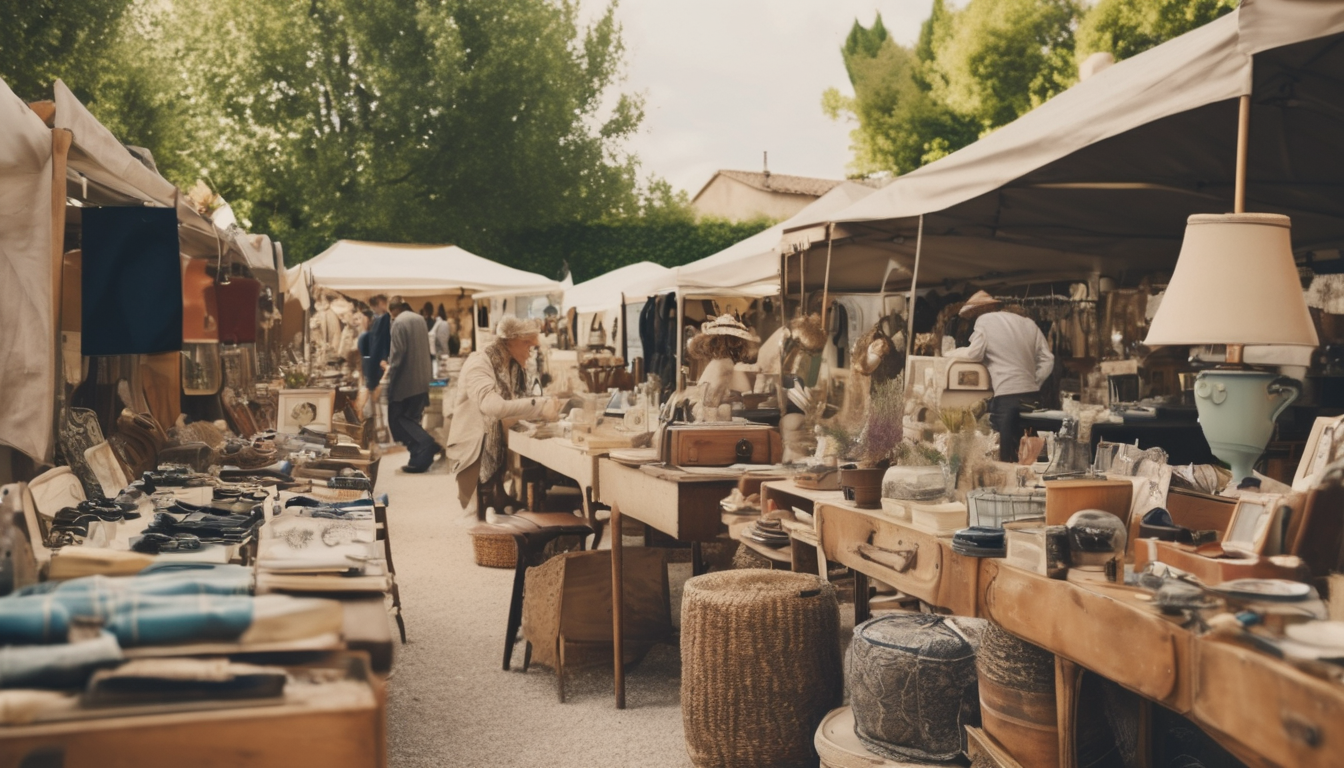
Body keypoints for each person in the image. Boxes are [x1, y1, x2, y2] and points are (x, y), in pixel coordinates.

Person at [446, 317, 562, 516]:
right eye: (527, 344)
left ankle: (504, 500)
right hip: (472, 446)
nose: (530, 350)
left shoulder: (512, 365)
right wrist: (540, 407)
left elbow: (518, 401)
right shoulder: (479, 363)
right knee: (478, 519)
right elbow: (494, 407)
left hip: (491, 438)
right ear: (509, 340)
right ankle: (489, 518)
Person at [946, 291, 1055, 461]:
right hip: (1032, 397)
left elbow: (975, 353)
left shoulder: (984, 320)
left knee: (1005, 455)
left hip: (1007, 397)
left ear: (978, 312)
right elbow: (1048, 359)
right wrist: (1034, 381)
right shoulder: (1029, 323)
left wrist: (952, 354)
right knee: (1031, 453)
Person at [383, 296, 438, 473]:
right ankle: (418, 458)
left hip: (405, 382)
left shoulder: (398, 322)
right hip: (422, 379)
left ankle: (425, 443)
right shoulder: (419, 319)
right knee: (413, 418)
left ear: (393, 310)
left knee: (399, 420)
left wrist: (391, 380)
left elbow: (397, 355)